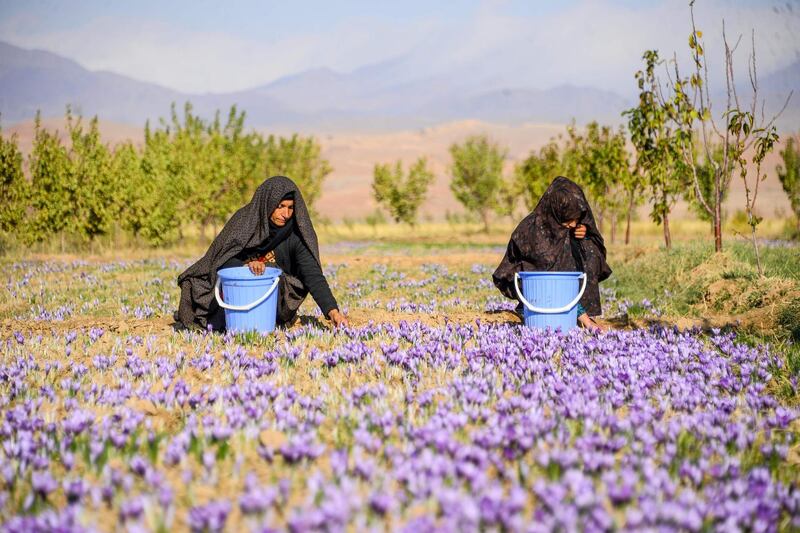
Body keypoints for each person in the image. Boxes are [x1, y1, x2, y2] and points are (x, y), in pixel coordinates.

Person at [175, 175, 348, 331]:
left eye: (290, 208)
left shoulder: (294, 235)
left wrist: (333, 312)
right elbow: (221, 258)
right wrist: (245, 267)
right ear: (268, 203)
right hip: (234, 288)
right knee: (194, 283)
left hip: (273, 296)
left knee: (271, 269)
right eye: (280, 206)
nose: (286, 214)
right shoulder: (245, 222)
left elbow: (313, 275)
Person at [492, 176, 612, 330]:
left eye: (577, 218)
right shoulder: (531, 231)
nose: (574, 224)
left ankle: (577, 312)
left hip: (564, 292)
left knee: (588, 248)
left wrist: (586, 232)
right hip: (536, 290)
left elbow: (592, 245)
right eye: (568, 219)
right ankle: (534, 309)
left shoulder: (573, 228)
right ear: (555, 212)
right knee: (551, 263)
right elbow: (553, 279)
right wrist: (586, 322)